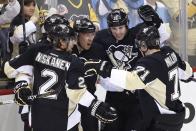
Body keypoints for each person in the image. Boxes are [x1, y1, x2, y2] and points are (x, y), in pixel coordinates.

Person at [4, 16, 118, 131]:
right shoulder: (71, 60)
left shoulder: (37, 50)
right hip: (62, 119)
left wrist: (21, 86)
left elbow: (10, 68)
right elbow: (76, 92)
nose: (73, 42)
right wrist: (95, 106)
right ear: (61, 40)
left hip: (37, 116)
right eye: (71, 39)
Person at [86, 26, 193, 131]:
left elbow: (131, 81)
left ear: (144, 46)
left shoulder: (149, 63)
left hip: (161, 120)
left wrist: (105, 69)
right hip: (177, 116)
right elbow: (187, 73)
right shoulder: (169, 52)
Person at [93, 8, 144, 131]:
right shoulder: (101, 37)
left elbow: (160, 33)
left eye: (121, 28)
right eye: (114, 29)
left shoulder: (136, 34)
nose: (118, 32)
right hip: (114, 96)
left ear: (127, 25)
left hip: (136, 98)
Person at [72, 18, 107, 131]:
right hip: (70, 101)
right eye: (86, 35)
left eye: (92, 34)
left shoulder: (98, 49)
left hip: (89, 99)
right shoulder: (67, 48)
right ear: (77, 35)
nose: (90, 38)